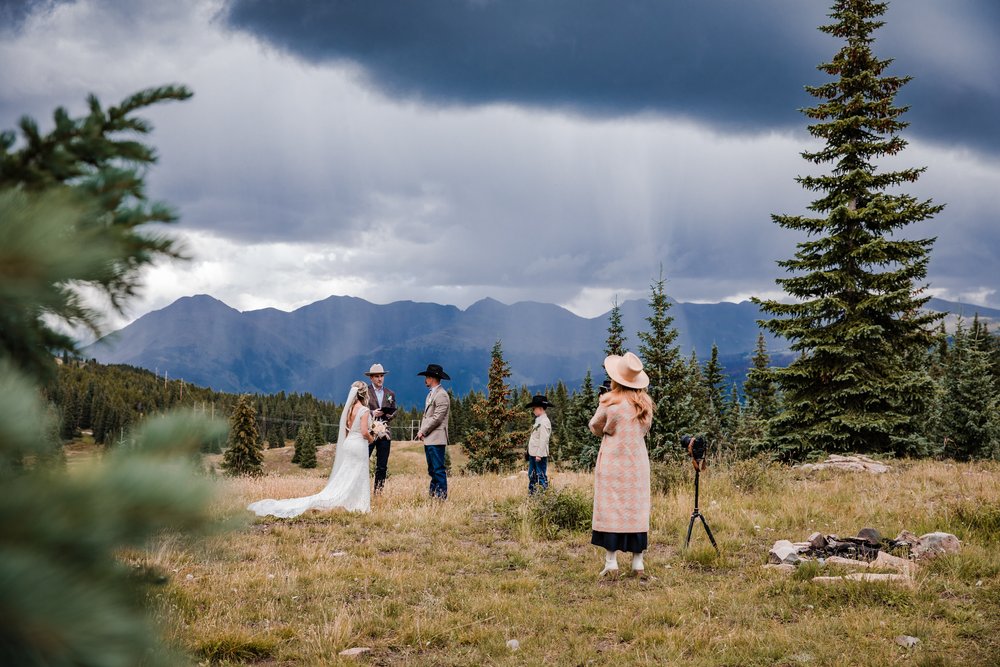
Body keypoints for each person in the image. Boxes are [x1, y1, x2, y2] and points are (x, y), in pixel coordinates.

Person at [247, 381, 375, 517]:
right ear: (365, 393)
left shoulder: (349, 409)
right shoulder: (364, 410)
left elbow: (348, 429)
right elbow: (364, 432)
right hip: (358, 445)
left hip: (349, 443)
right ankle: (358, 504)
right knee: (358, 473)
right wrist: (373, 438)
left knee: (347, 473)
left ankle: (347, 499)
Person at [589, 351, 654, 579]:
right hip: (637, 462)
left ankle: (611, 562)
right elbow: (644, 431)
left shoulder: (609, 401)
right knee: (636, 510)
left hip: (613, 462)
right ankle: (638, 563)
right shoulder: (644, 404)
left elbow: (595, 426)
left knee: (611, 509)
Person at [416, 363, 451, 499]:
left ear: (432, 378)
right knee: (432, 469)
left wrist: (422, 430)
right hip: (430, 438)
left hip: (437, 437)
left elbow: (437, 418)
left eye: (427, 377)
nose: (425, 380)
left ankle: (441, 497)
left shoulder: (441, 395)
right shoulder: (432, 394)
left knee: (438, 469)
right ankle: (433, 495)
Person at [365, 363, 396, 494]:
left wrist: (388, 414)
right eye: (377, 376)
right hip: (369, 432)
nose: (380, 379)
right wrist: (372, 413)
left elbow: (395, 411)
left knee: (382, 466)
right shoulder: (365, 392)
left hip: (385, 433)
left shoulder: (390, 393)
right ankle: (361, 491)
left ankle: (378, 492)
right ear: (371, 378)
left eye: (381, 376)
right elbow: (359, 410)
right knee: (362, 462)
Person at [525, 394, 553, 494]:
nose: (533, 410)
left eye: (534, 408)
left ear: (540, 408)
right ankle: (532, 493)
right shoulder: (538, 421)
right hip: (533, 453)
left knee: (540, 475)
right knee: (532, 474)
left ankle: (544, 496)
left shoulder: (545, 422)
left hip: (539, 454)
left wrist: (539, 454)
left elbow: (544, 439)